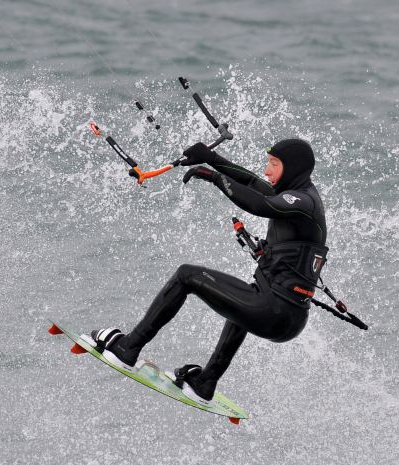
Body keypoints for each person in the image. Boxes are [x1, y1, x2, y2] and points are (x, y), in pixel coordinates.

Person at [89, 138, 328, 404]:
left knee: (186, 276)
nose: (267, 170)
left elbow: (262, 205)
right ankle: (206, 382)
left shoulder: (304, 201)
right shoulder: (295, 195)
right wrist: (210, 158)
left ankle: (127, 347)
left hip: (275, 313)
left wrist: (215, 178)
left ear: (293, 168)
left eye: (274, 164)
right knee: (245, 301)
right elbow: (251, 183)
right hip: (282, 314)